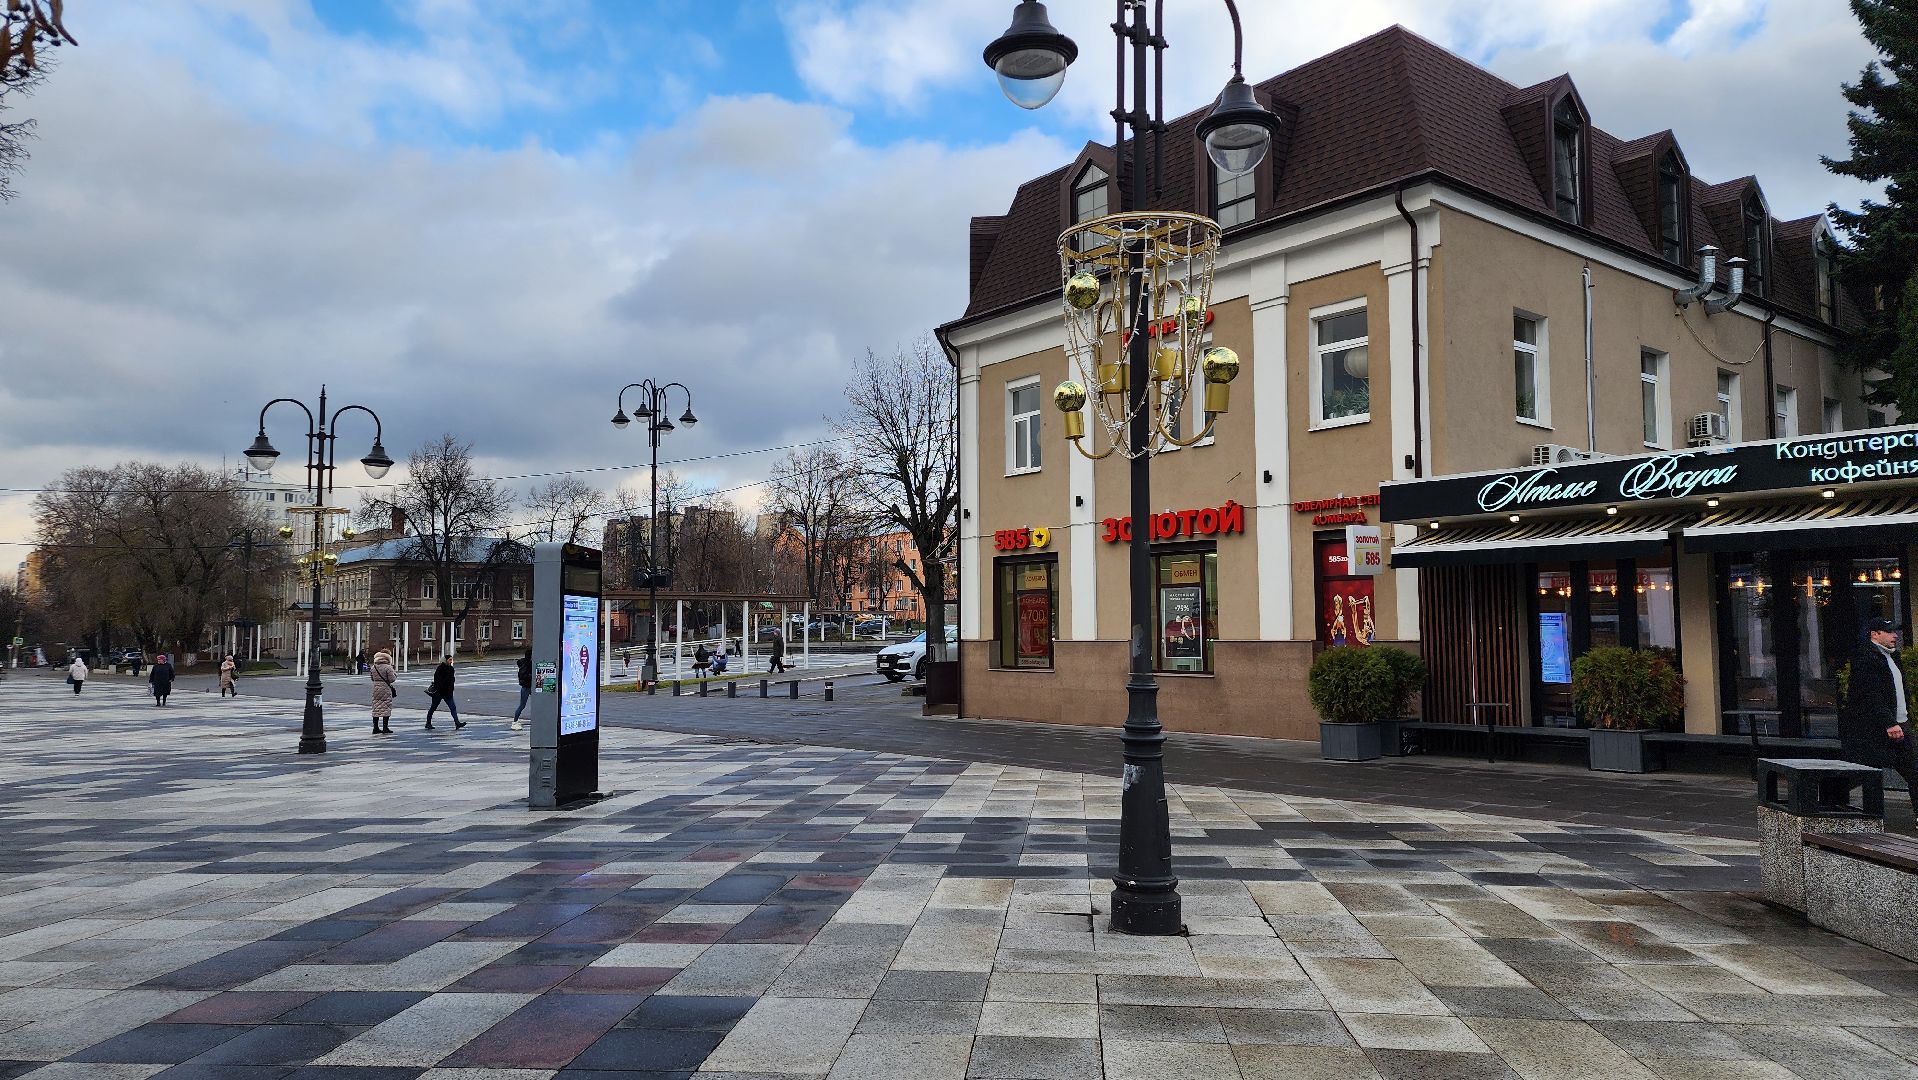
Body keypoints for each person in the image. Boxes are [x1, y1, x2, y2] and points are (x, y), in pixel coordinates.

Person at [1841, 617, 1917, 812]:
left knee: (1914, 768)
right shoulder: (1866, 658)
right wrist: (1889, 722)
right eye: (1889, 631)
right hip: (1877, 728)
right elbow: (1871, 695)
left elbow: (1900, 691)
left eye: (1895, 631)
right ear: (1874, 634)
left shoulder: (1893, 657)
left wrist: (1903, 717)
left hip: (1900, 723)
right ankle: (1832, 803)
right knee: (1863, 772)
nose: (1895, 635)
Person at [425, 654, 465, 731]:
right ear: (445, 660)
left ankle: (457, 723)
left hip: (448, 693)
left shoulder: (451, 669)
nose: (451, 661)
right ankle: (428, 723)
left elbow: (452, 680)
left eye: (451, 660)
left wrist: (450, 690)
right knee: (433, 707)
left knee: (453, 707)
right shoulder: (440, 669)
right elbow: (437, 681)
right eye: (450, 660)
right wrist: (442, 687)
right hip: (439, 693)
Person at [369, 650, 397, 735]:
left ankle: (375, 727)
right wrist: (395, 674)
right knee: (386, 706)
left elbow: (372, 678)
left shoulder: (374, 667)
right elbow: (392, 679)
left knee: (376, 707)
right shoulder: (388, 667)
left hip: (376, 688)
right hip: (385, 688)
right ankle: (385, 727)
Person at [511, 649, 532, 731]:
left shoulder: (526, 663)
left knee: (539, 702)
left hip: (529, 686)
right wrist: (531, 676)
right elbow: (523, 676)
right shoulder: (526, 665)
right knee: (522, 705)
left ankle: (515, 721)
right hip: (527, 687)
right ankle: (515, 721)